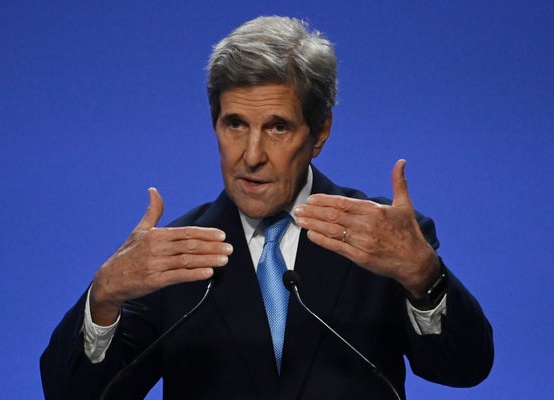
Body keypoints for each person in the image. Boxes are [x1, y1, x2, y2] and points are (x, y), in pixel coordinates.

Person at [40, 16, 493, 399]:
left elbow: (464, 368)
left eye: (277, 127)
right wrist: (103, 300)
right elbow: (73, 393)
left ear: (319, 133)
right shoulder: (174, 258)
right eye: (235, 124)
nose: (251, 155)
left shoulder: (384, 239)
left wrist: (425, 277)